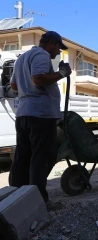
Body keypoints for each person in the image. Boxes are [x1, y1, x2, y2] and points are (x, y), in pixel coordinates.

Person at [9, 31, 72, 210]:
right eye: (58, 48)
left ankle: (16, 198)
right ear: (51, 43)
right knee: (42, 157)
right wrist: (61, 73)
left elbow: (14, 86)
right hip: (40, 115)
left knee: (22, 157)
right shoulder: (41, 54)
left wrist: (27, 91)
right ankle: (39, 201)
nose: (58, 52)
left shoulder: (22, 58)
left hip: (23, 114)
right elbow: (38, 79)